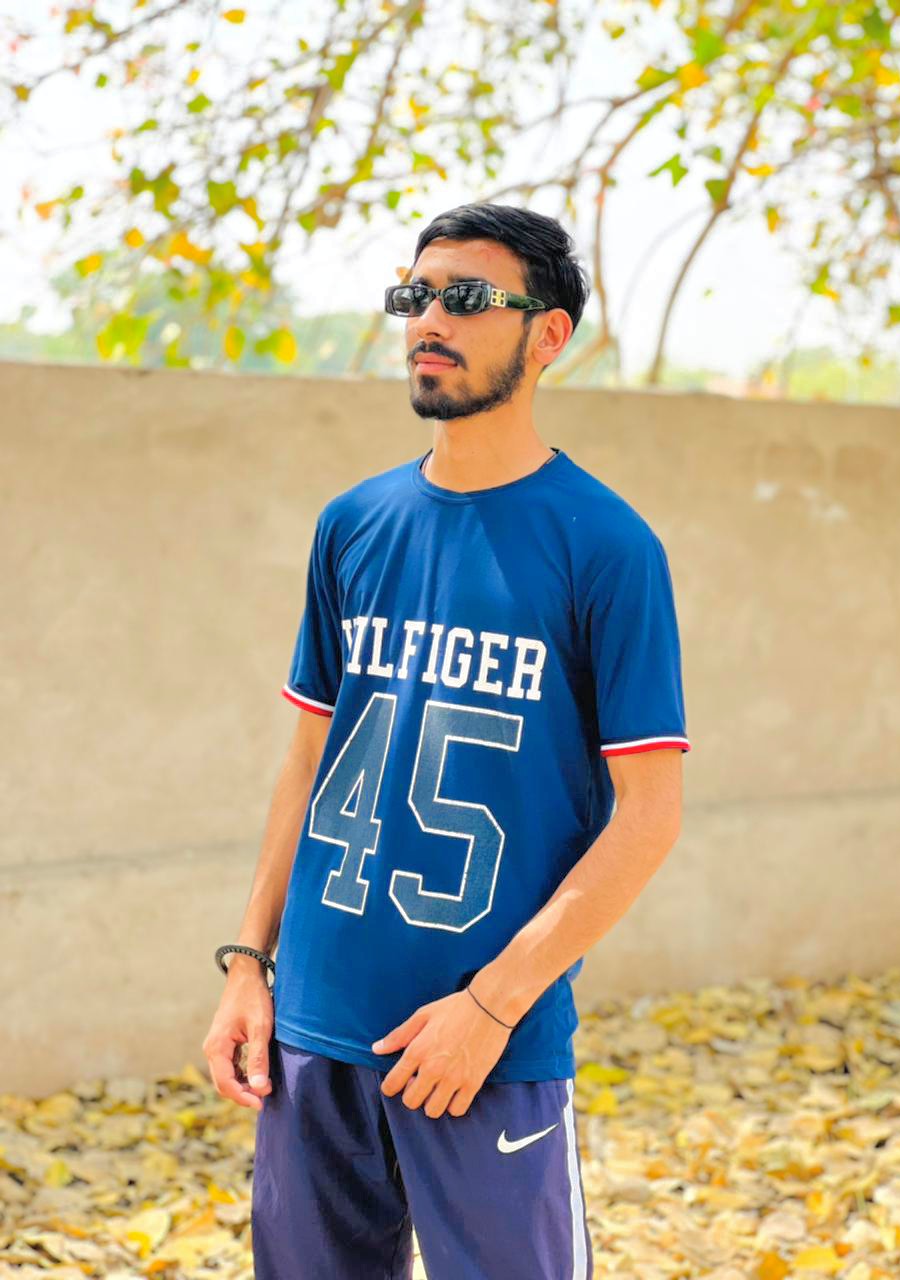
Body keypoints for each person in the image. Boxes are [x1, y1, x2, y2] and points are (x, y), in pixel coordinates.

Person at [203, 203, 690, 1280]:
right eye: (414, 296)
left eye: (466, 298)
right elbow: (309, 761)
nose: (429, 319)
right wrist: (249, 964)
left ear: (548, 334)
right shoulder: (353, 523)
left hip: (484, 1044)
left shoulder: (608, 547)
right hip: (313, 1028)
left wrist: (492, 1004)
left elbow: (650, 817)